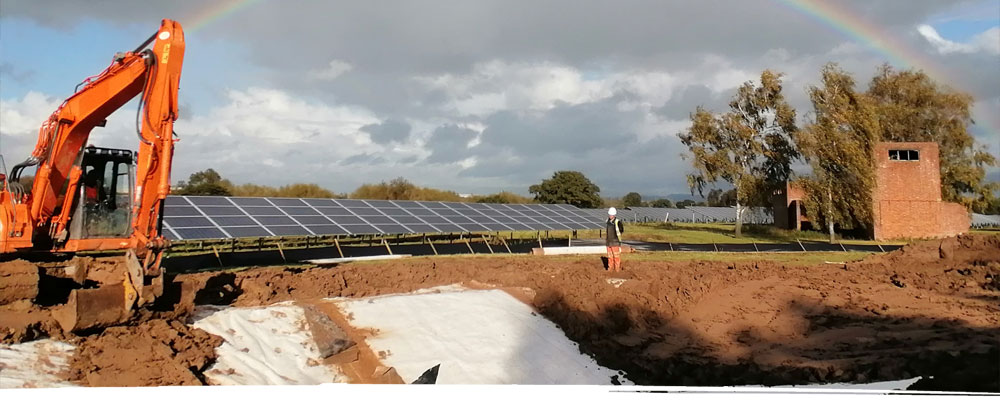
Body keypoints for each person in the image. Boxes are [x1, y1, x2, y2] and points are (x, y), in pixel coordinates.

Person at [605, 207, 625, 272]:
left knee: (616, 256)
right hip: (608, 242)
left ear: (614, 215)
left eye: (611, 215)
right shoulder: (607, 221)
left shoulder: (617, 222)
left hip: (615, 242)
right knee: (609, 256)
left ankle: (617, 269)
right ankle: (610, 268)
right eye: (609, 214)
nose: (610, 216)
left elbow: (621, 230)